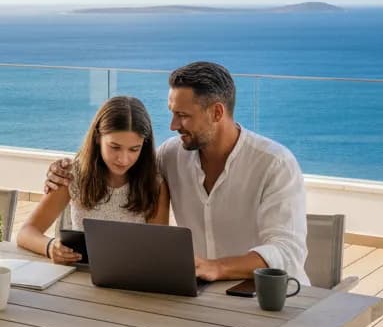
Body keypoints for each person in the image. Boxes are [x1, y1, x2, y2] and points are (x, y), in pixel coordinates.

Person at [46, 61, 308, 284]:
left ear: (217, 112)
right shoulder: (170, 155)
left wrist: (218, 267)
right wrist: (61, 171)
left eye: (182, 115)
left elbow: (287, 251)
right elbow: (123, 166)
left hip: (271, 295)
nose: (173, 125)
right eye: (172, 113)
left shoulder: (274, 164)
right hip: (199, 294)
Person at [18, 96, 170, 264]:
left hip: (132, 278)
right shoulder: (72, 175)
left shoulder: (154, 184)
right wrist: (50, 246)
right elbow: (26, 232)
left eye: (134, 149)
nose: (123, 159)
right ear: (98, 137)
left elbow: (158, 248)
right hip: (80, 275)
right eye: (115, 147)